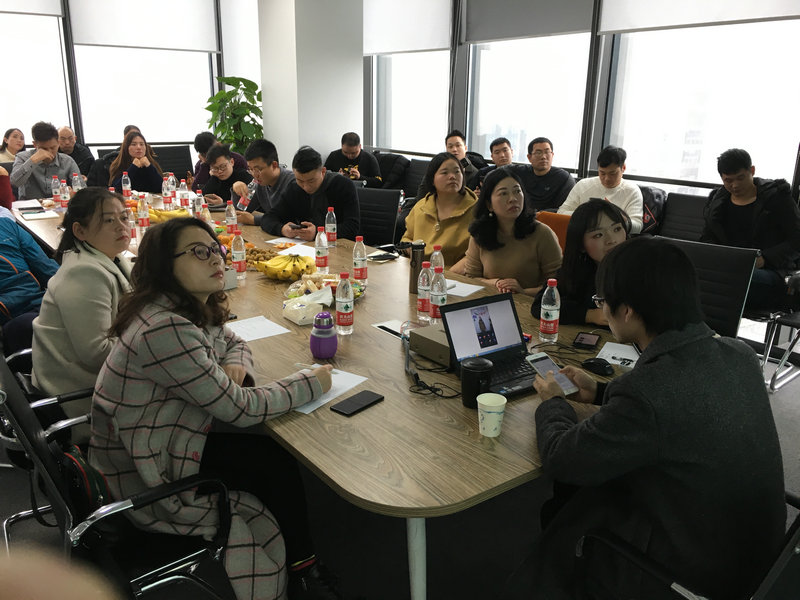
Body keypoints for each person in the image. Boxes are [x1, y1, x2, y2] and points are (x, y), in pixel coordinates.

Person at [519, 236, 786, 599]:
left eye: (603, 301)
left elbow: (563, 459)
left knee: (572, 498)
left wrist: (553, 402)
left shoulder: (649, 390)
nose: (603, 309)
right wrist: (600, 392)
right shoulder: (739, 353)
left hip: (694, 577)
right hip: (759, 560)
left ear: (627, 311)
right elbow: (678, 409)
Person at [88, 217, 339, 600]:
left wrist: (236, 365)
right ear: (164, 265)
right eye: (198, 252)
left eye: (215, 249)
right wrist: (313, 381)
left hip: (156, 440)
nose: (215, 258)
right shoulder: (164, 328)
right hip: (146, 473)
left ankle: (301, 563)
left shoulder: (177, 308)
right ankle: (305, 575)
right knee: (274, 461)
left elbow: (232, 340)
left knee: (267, 459)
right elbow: (241, 409)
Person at [32, 188, 132, 439]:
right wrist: (152, 341)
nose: (121, 226)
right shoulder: (85, 273)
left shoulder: (110, 258)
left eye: (124, 217)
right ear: (80, 231)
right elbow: (96, 353)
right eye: (108, 220)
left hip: (97, 381)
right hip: (81, 398)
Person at [700, 148, 800, 310]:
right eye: (728, 180)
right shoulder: (718, 202)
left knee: (730, 278)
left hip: (771, 270)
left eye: (741, 178)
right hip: (729, 265)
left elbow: (797, 241)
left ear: (752, 171)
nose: (735, 185)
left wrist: (765, 258)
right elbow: (707, 237)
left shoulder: (777, 198)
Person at [464, 167, 562, 296]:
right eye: (503, 193)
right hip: (491, 302)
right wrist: (496, 283)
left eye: (517, 191)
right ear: (489, 205)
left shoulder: (542, 233)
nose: (513, 199)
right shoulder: (480, 233)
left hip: (530, 304)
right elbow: (471, 278)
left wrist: (522, 292)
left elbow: (559, 284)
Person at [532, 199, 630, 325]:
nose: (611, 240)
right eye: (598, 235)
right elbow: (540, 306)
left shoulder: (642, 266)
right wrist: (589, 315)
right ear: (581, 245)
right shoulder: (577, 270)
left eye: (617, 229)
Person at [262, 146, 360, 242]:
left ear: (323, 171)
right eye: (300, 180)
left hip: (340, 245)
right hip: (306, 246)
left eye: (311, 181)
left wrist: (318, 232)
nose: (306, 187)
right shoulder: (294, 187)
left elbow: (352, 226)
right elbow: (268, 218)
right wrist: (282, 229)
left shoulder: (343, 185)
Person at [401, 151, 478, 268]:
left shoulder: (476, 209)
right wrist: (411, 250)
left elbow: (478, 254)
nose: (452, 176)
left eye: (457, 171)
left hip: (456, 275)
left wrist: (449, 275)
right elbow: (407, 238)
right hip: (420, 271)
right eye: (445, 172)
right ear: (432, 179)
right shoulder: (421, 207)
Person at [558, 145, 643, 233]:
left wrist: (617, 217)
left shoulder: (632, 191)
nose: (607, 178)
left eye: (612, 173)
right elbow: (561, 212)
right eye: (602, 173)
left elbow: (638, 227)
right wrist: (588, 216)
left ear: (623, 168)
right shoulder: (583, 185)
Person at [0, 211, 59, 325]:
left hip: (39, 304)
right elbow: (46, 268)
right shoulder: (8, 225)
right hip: (13, 314)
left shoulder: (7, 225)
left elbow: (45, 267)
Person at [10, 121, 80, 200]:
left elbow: (82, 189)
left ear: (58, 143)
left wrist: (73, 194)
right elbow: (15, 183)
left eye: (53, 148)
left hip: (59, 204)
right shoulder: (23, 157)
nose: (49, 152)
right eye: (44, 149)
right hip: (31, 205)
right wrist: (32, 161)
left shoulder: (67, 161)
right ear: (35, 144)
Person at [235, 138, 295, 228]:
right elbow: (241, 212)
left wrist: (254, 220)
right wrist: (236, 189)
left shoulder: (292, 182)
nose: (254, 174)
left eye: (258, 169)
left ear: (274, 165)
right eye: (250, 169)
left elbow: (287, 219)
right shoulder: (260, 183)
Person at [511, 137, 575, 211]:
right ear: (529, 157)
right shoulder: (521, 172)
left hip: (549, 217)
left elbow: (566, 209)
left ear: (552, 155)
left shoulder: (564, 178)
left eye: (547, 152)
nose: (543, 157)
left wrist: (539, 214)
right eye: (538, 153)